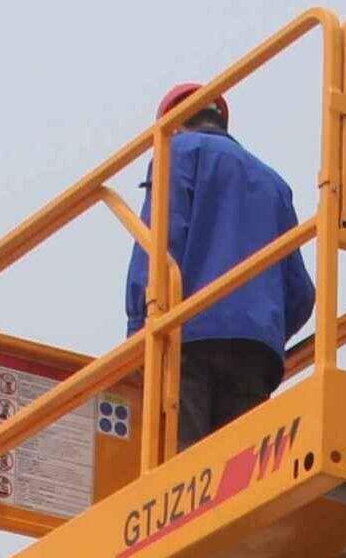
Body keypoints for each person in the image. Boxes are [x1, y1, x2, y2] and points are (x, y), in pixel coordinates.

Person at [122, 84, 316, 448]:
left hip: (188, 341)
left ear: (172, 125)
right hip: (254, 355)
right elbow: (301, 294)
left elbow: (159, 246)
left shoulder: (175, 151)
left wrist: (139, 330)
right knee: (239, 481)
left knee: (186, 480)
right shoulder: (273, 183)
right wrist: (263, 326)